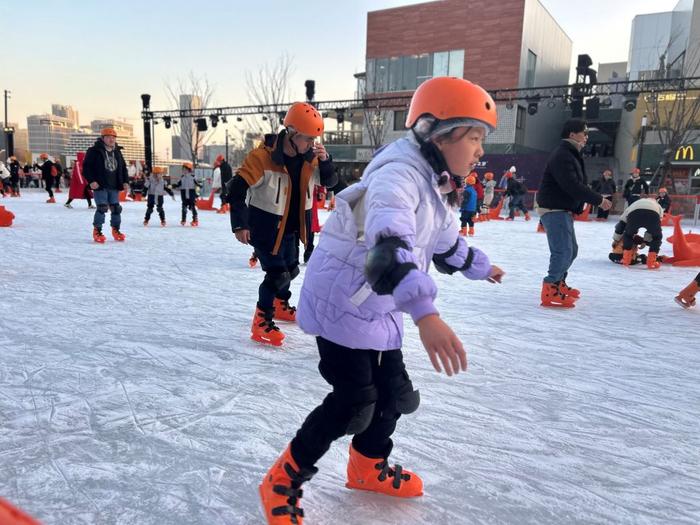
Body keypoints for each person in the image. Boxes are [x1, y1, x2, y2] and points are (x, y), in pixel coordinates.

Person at [258, 77, 505, 525]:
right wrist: (426, 313)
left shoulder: (434, 182)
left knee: (395, 397)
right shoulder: (397, 178)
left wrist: (480, 266)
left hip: (377, 306)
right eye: (474, 138)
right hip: (343, 304)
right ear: (439, 134)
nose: (480, 151)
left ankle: (366, 466)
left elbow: (445, 242)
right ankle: (283, 480)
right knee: (354, 402)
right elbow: (388, 248)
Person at [228, 101, 337, 347]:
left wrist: (327, 161)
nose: (312, 144)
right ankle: (261, 318)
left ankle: (279, 304)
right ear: (291, 133)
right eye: (308, 139)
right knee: (277, 274)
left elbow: (330, 183)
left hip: (293, 228)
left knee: (292, 269)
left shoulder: (311, 159)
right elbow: (235, 189)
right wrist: (239, 224)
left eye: (315, 139)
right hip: (265, 228)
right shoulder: (262, 158)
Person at [536, 118, 612, 307]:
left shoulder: (571, 153)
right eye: (584, 133)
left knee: (572, 250)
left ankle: (559, 283)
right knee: (562, 250)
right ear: (572, 134)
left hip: (562, 208)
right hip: (554, 208)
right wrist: (598, 200)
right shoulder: (563, 154)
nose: (586, 137)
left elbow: (576, 184)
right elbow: (571, 185)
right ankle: (550, 288)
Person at [83, 127, 129, 243]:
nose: (111, 140)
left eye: (113, 137)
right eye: (108, 137)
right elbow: (86, 168)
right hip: (100, 185)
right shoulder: (94, 151)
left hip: (114, 185)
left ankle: (116, 230)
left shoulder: (117, 151)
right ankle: (97, 231)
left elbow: (123, 168)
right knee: (102, 208)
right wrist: (91, 181)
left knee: (116, 209)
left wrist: (125, 181)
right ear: (103, 138)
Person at [612, 197, 664, 269]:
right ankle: (651, 262)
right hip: (653, 214)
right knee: (657, 237)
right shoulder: (658, 206)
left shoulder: (635, 203)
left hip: (634, 213)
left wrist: (616, 239)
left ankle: (626, 260)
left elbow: (621, 224)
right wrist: (645, 241)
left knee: (628, 235)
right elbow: (654, 229)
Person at [173, 162, 200, 226]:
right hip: (184, 195)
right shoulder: (182, 177)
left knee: (192, 207)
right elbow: (178, 184)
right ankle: (183, 219)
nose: (184, 171)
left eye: (185, 170)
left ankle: (195, 219)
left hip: (191, 195)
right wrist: (174, 186)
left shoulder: (193, 177)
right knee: (184, 208)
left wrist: (199, 187)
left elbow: (197, 185)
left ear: (189, 170)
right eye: (183, 170)